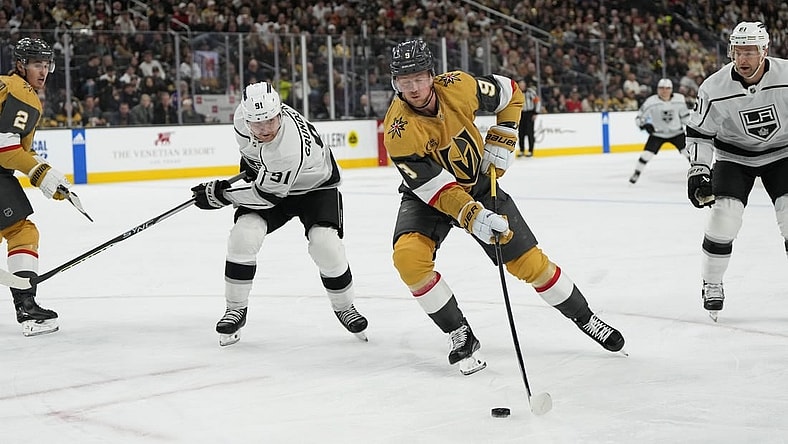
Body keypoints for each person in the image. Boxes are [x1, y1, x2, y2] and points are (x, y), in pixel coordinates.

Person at [382, 39, 625, 376]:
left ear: (431, 75)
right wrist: (472, 216)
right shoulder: (398, 131)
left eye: (419, 78)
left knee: (529, 263)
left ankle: (586, 318)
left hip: (479, 183)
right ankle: (459, 331)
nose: (414, 88)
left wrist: (506, 131)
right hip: (429, 197)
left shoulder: (459, 86)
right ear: (396, 83)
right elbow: (437, 189)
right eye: (405, 82)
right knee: (408, 258)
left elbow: (511, 92)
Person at [190, 81, 368, 346]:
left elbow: (266, 196)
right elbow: (254, 157)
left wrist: (221, 196)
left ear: (280, 113)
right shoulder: (241, 118)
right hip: (272, 180)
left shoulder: (287, 147)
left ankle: (344, 306)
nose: (265, 130)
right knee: (244, 235)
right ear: (245, 116)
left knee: (324, 244)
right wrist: (253, 170)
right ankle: (235, 308)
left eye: (271, 121)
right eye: (257, 123)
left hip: (315, 186)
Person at [686, 21, 788, 321]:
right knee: (724, 220)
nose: (743, 59)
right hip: (734, 158)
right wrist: (698, 170)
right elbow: (699, 133)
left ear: (765, 51)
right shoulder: (714, 87)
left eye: (750, 52)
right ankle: (712, 281)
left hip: (782, 154)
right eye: (738, 51)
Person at [0, 38, 72, 336]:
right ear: (21, 65)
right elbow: (5, 149)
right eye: (36, 64)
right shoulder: (22, 93)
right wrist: (40, 172)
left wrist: (41, 170)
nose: (42, 71)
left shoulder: (3, 84)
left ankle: (26, 303)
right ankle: (27, 307)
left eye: (45, 65)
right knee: (21, 232)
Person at [629, 78, 690, 184]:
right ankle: (637, 173)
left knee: (690, 154)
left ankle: (700, 174)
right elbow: (639, 118)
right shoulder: (651, 102)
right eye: (661, 88)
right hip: (658, 134)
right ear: (657, 89)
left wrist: (692, 128)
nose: (664, 91)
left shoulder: (679, 100)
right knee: (646, 155)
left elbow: (685, 117)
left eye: (667, 88)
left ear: (671, 89)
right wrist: (644, 125)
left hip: (677, 133)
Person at [517, 79, 541, 157]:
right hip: (521, 114)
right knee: (521, 133)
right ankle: (521, 150)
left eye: (523, 84)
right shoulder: (517, 92)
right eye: (520, 84)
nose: (521, 86)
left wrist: (535, 113)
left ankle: (530, 150)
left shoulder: (530, 92)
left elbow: (537, 101)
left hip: (529, 113)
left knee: (530, 132)